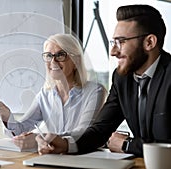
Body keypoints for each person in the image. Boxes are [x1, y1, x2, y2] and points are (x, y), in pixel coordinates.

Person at [36, 4, 171, 157]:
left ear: (149, 42)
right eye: (113, 43)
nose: (113, 51)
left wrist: (128, 144)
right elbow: (100, 130)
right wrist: (65, 144)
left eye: (122, 41)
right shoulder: (122, 78)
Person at [0, 33, 107, 150]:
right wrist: (5, 113)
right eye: (49, 56)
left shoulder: (95, 92)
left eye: (60, 55)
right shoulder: (45, 94)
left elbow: (84, 133)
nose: (53, 61)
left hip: (85, 157)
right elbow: (21, 131)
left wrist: (42, 138)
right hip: (52, 157)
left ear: (76, 61)